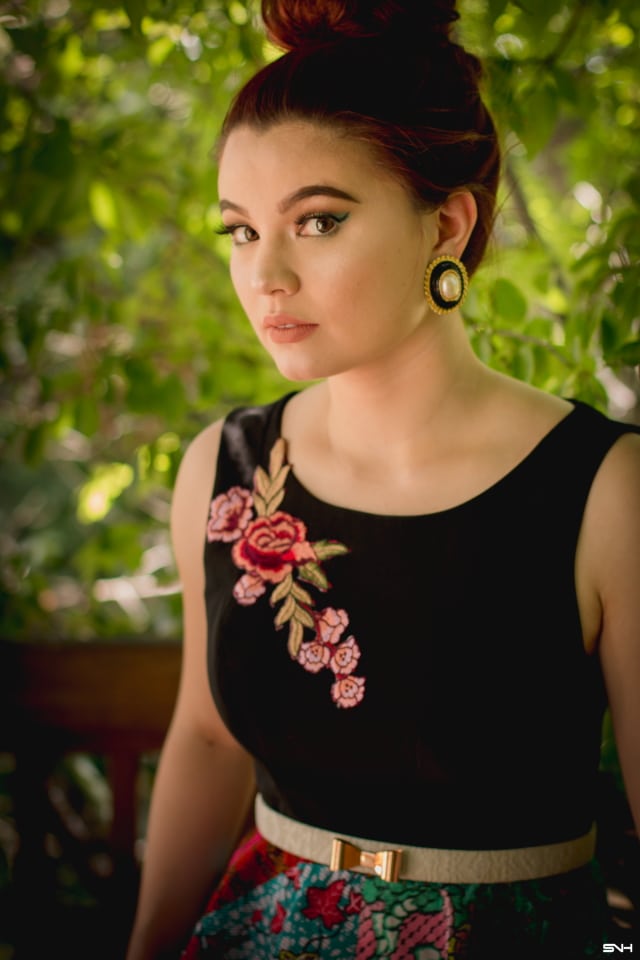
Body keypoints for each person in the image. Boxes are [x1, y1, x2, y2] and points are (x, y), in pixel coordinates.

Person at [126, 1, 640, 957]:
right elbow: (205, 738)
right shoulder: (228, 469)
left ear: (447, 222)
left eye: (317, 221)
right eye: (240, 231)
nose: (266, 275)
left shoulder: (606, 489)